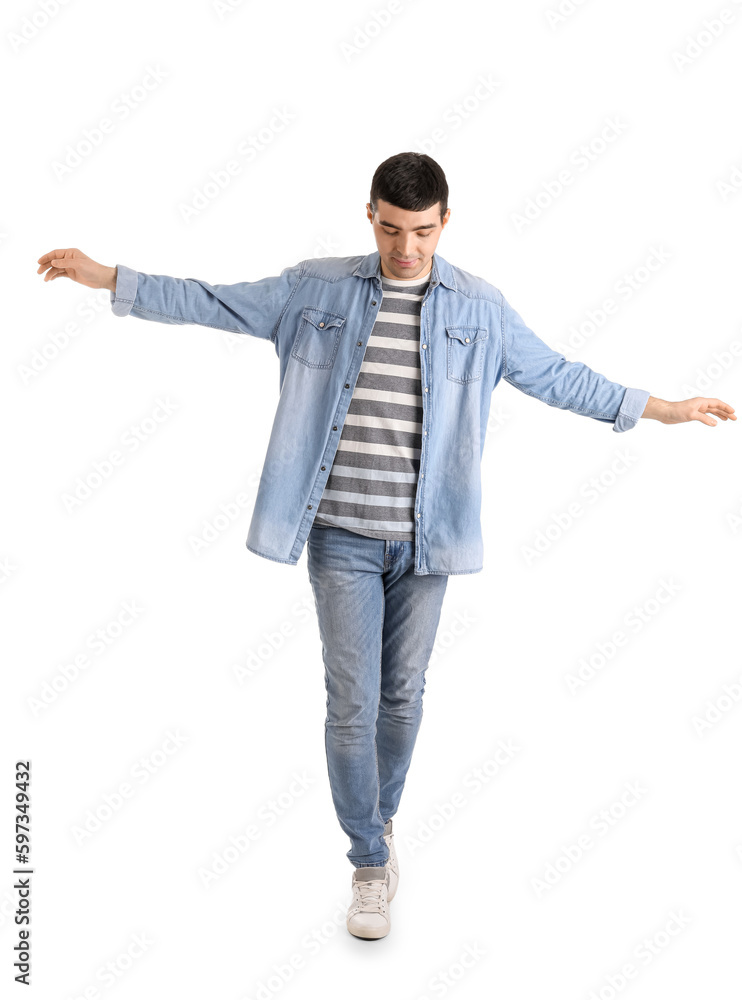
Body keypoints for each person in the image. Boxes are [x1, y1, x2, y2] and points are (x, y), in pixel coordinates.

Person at [37, 151, 736, 941]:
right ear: (370, 215)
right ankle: (369, 862)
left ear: (446, 221)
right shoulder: (318, 288)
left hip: (429, 541)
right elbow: (213, 302)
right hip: (340, 538)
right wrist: (109, 278)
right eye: (394, 229)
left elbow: (559, 376)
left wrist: (662, 408)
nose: (408, 248)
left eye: (424, 231)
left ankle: (381, 815)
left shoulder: (481, 308)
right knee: (353, 701)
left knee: (403, 693)